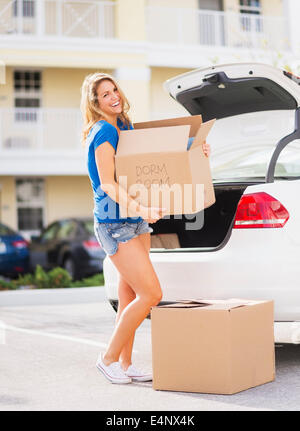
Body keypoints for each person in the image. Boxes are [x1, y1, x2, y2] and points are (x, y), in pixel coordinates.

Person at [80, 72, 210, 385]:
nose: (114, 98)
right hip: (114, 223)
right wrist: (143, 208)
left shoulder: (123, 125)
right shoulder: (103, 133)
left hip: (134, 221)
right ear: (94, 103)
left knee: (130, 298)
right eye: (105, 95)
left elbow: (150, 158)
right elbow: (108, 184)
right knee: (151, 293)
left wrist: (197, 148)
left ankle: (125, 364)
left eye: (114, 91)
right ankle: (107, 358)